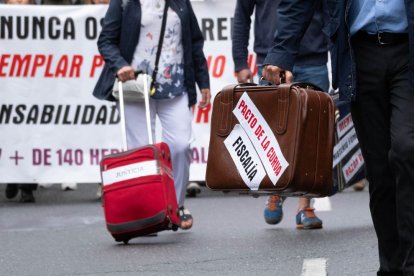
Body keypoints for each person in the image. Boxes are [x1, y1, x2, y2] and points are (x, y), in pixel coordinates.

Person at [262, 0, 414, 274]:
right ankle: (391, 266)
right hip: (359, 57)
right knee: (379, 170)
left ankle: (410, 264)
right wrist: (280, 53)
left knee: (406, 149)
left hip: (408, 51)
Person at [93, 0, 211, 230]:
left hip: (175, 86)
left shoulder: (180, 2)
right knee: (142, 153)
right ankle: (149, 211)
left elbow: (194, 42)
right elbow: (106, 40)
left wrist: (202, 81)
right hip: (135, 87)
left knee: (180, 146)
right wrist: (120, 65)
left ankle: (175, 206)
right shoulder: (125, 2)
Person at [232, 0, 328, 229]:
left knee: (312, 136)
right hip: (271, 60)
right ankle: (277, 190)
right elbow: (242, 16)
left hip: (313, 57)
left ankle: (305, 204)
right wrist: (239, 61)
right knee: (273, 134)